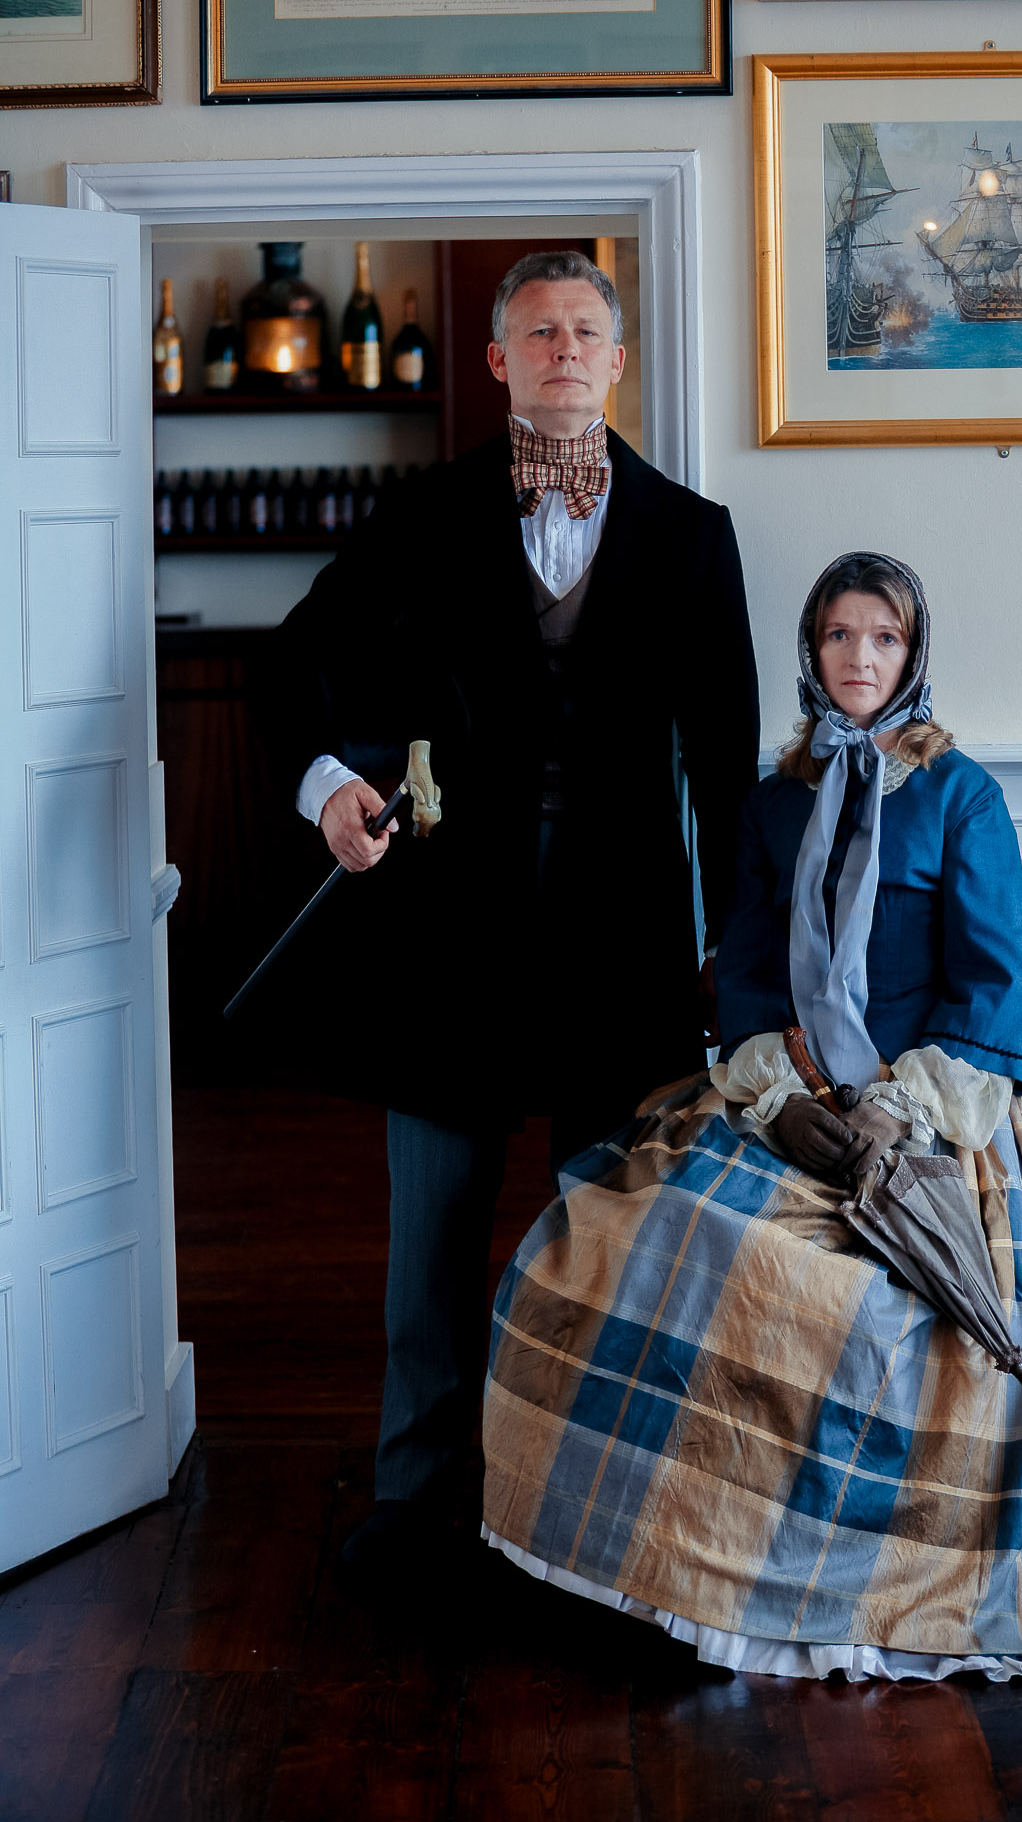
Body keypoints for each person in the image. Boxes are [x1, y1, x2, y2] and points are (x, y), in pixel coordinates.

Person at [481, 551, 1022, 1680]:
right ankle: (683, 1554)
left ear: (913, 653)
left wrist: (900, 1109)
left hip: (947, 1092)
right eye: (838, 635)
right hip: (795, 1087)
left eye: (883, 637)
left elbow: (996, 981)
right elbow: (750, 970)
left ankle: (841, 1567)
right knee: (634, 1236)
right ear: (811, 651)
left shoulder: (962, 794)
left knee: (865, 1303)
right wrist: (782, 1094)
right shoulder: (774, 802)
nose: (860, 657)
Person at [257, 250, 759, 1589]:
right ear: (497, 360)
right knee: (430, 1241)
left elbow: (726, 764)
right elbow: (294, 660)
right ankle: (413, 1497)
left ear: (618, 359)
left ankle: (592, 1512)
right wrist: (327, 786)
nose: (562, 347)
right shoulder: (423, 515)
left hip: (625, 943)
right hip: (446, 935)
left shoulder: (693, 533)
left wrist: (739, 953)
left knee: (610, 1237)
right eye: (536, 329)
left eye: (585, 328)